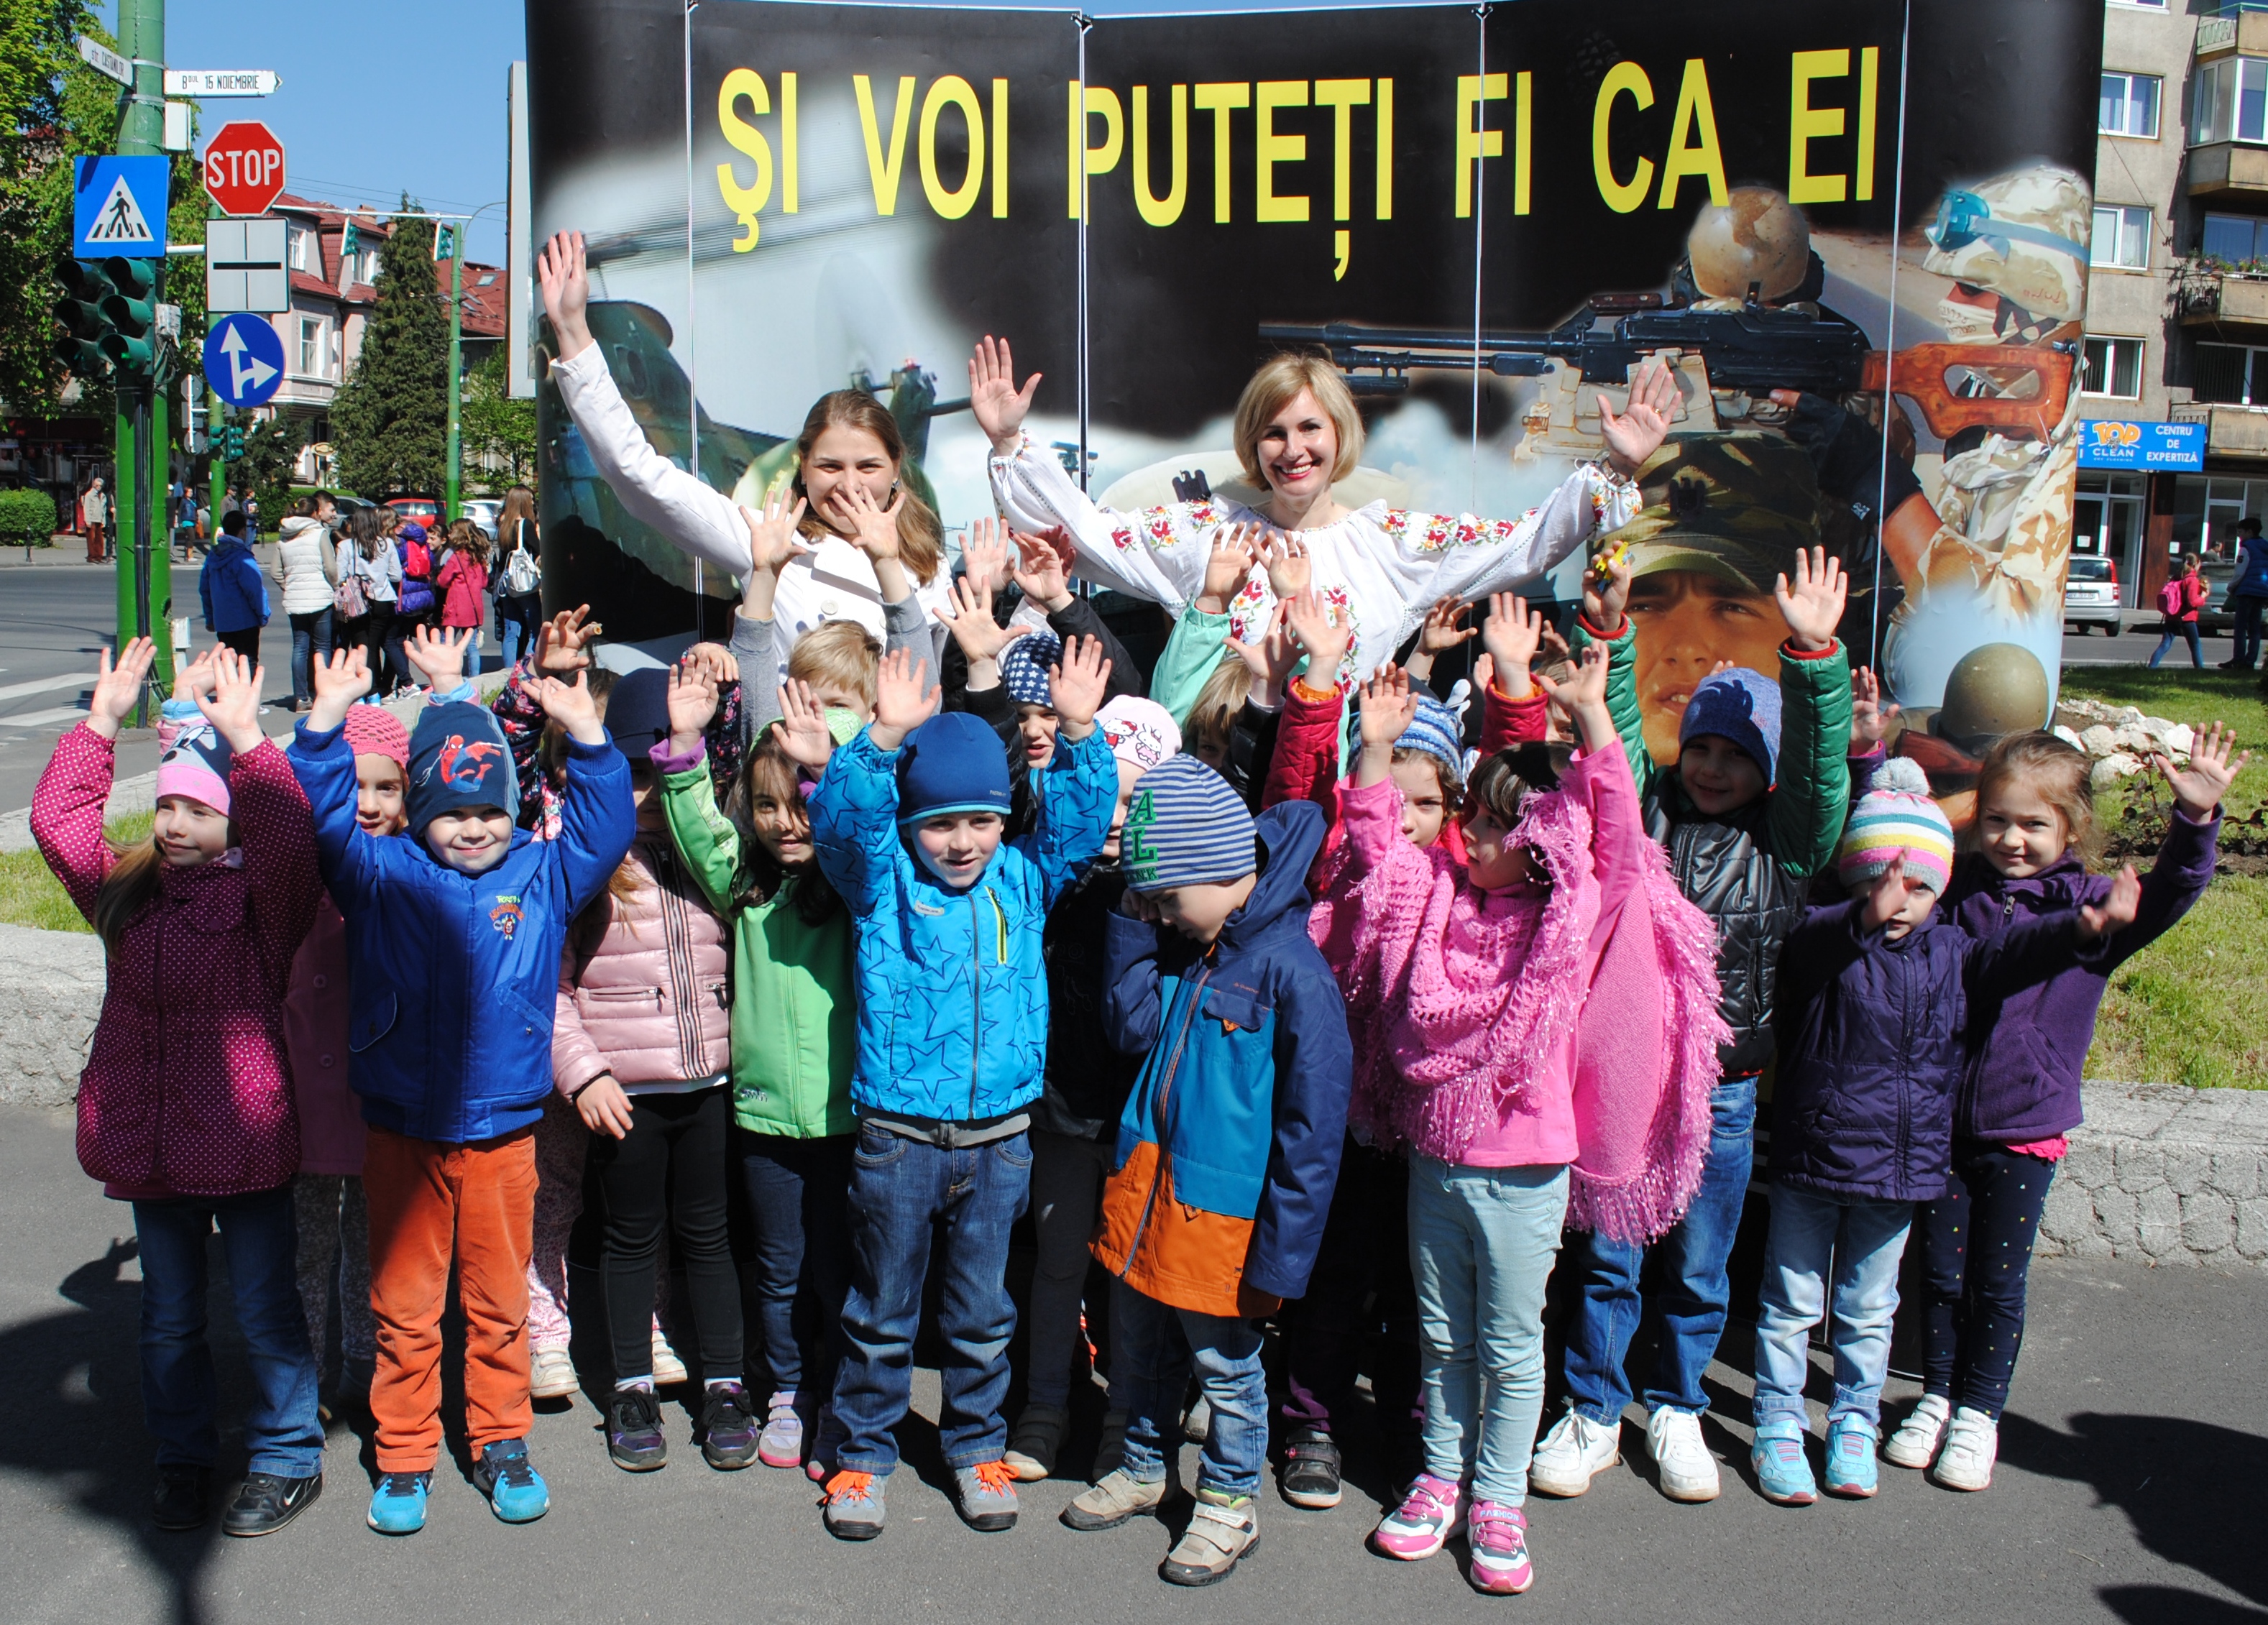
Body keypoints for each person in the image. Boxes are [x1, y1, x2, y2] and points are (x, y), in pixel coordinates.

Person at [1341, 654, 1720, 1594]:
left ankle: (1496, 1497)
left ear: (1544, 842)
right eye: (1469, 812)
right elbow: (1372, 850)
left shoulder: (1567, 923)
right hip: (1436, 1159)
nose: (1469, 829)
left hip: (1524, 1174)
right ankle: (1439, 1476)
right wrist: (1376, 745)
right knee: (1441, 1336)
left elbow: (1621, 847)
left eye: (1494, 821)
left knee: (1511, 1344)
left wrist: (1592, 716)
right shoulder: (1435, 895)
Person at [287, 634, 635, 1537]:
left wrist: (590, 735)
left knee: (496, 1301)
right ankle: (402, 1454)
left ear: (512, 812)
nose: (474, 826)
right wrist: (323, 727)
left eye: (490, 810)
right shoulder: (382, 873)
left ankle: (501, 1440)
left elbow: (604, 829)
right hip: (402, 1128)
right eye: (452, 811)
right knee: (404, 1306)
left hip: (502, 1134)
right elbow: (319, 819)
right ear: (418, 814)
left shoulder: (541, 871)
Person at [1533, 545, 1854, 1505]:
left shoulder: (1784, 845)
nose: (1712, 767)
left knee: (1702, 1260)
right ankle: (1591, 1408)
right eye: (1702, 748)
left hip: (1723, 1091)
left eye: (1734, 755)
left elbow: (1819, 771)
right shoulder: (1648, 820)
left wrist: (1811, 655)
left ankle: (1673, 1404)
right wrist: (1609, 630)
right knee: (1607, 1254)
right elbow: (1618, 739)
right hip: (1631, 1082)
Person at [1750, 760, 2139, 1506]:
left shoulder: (1953, 949)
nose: (1897, 900)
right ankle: (1774, 1420)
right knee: (1790, 1303)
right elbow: (1814, 946)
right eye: (1877, 883)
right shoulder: (1823, 938)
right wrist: (1862, 914)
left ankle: (1854, 1422)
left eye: (1919, 886)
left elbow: (2015, 952)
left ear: (1940, 889)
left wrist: (2076, 929)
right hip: (1811, 1159)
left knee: (1868, 1310)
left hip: (1895, 1173)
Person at [807, 640, 1117, 1540]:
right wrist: (879, 740)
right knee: (880, 1309)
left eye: (980, 819)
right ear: (912, 822)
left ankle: (974, 1441)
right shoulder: (881, 884)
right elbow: (840, 825)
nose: (962, 841)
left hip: (999, 1138)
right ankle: (861, 1453)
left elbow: (1077, 816)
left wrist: (1080, 729)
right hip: (898, 1135)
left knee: (983, 1312)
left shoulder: (1023, 877)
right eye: (942, 822)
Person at [1887, 727, 2241, 1490]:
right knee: (1940, 1274)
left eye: (2032, 823)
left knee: (1997, 1278)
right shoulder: (1956, 895)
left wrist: (2193, 824)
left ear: (2071, 827)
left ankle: (1979, 1412)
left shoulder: (2095, 905)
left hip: (2024, 1123)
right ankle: (1935, 1397)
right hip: (1941, 1121)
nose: (2010, 838)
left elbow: (2170, 895)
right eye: (1995, 820)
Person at [31, 642, 326, 1537]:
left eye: (198, 807)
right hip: (147, 1138)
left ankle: (286, 1454)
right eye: (164, 804)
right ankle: (184, 1454)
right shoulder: (130, 892)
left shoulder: (260, 903)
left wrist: (246, 740)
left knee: (265, 1306)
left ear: (230, 820)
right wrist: (101, 725)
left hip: (240, 1137)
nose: (173, 822)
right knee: (167, 1316)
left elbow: (289, 840)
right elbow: (58, 826)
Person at [1055, 752, 1349, 1586]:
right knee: (1138, 1353)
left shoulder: (1294, 973)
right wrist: (1133, 921)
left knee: (1226, 1372)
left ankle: (1227, 1502)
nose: (1164, 915)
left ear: (1222, 873)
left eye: (1167, 898)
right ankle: (1144, 1466)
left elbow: (1312, 1134)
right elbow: (1130, 1024)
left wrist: (1285, 1254)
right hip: (1147, 1201)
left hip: (1221, 1228)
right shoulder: (1190, 942)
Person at [972, 335, 1674, 683]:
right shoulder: (1206, 536)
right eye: (1273, 431)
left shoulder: (1393, 542)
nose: (1291, 448)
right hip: (1232, 803)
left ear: (1338, 436)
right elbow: (1085, 535)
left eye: (1309, 428)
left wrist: (1615, 468)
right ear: (1252, 443)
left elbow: (1526, 543)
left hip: (1353, 801)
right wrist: (1009, 441)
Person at [536, 230, 955, 645]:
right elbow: (639, 475)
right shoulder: (770, 544)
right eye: (830, 466)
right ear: (803, 468)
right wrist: (573, 330)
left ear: (897, 468)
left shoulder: (928, 566)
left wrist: (1009, 444)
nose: (850, 485)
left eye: (868, 466)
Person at [553, 664, 755, 1473]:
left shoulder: (710, 850)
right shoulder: (578, 862)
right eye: (628, 769)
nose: (642, 791)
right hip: (621, 1090)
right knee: (632, 1237)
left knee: (710, 1236)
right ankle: (631, 1386)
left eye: (657, 766)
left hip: (708, 1082)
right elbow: (548, 986)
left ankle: (726, 1385)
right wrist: (584, 1072)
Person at [658, 668, 860, 1475]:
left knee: (844, 1268)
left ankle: (843, 1390)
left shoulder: (857, 885)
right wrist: (681, 747)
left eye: (802, 802)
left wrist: (833, 763)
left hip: (853, 1115)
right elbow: (702, 829)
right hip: (766, 1117)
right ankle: (786, 1391)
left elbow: (867, 821)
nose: (785, 823)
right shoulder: (745, 887)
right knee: (778, 1268)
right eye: (768, 805)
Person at [1003, 691, 1181, 1483]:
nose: (1113, 813)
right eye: (1101, 788)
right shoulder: (1051, 877)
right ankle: (1044, 1403)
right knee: (1057, 1262)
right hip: (1061, 1107)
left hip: (1141, 1117)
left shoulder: (1173, 899)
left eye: (1133, 796)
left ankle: (1127, 1415)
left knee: (1134, 1273)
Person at [284, 704, 410, 1421]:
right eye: (351, 787)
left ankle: (363, 1371)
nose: (366, 803)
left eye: (385, 787)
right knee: (304, 1252)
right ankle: (303, 1375)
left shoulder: (412, 869)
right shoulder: (302, 878)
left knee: (373, 1247)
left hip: (379, 1103)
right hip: (304, 1095)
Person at [272, 497, 339, 712]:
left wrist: (289, 585)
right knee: (322, 646)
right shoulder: (319, 533)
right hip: (320, 598)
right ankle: (323, 693)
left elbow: (275, 571)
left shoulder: (283, 537)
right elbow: (330, 567)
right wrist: (333, 586)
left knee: (300, 647)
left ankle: (301, 698)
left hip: (295, 599)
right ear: (315, 513)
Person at [336, 507, 405, 697]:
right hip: (383, 599)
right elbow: (396, 574)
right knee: (377, 643)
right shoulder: (387, 544)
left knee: (363, 646)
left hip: (357, 602)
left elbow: (340, 576)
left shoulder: (346, 546)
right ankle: (378, 689)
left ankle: (369, 689)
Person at [201, 512, 270, 666]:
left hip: (222, 622)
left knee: (229, 664)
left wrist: (210, 617)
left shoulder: (212, 557)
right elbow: (255, 590)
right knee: (248, 661)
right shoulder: (242, 557)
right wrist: (263, 614)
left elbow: (205, 589)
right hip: (245, 621)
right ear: (242, 531)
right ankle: (247, 690)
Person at [494, 485, 544, 672]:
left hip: (507, 583)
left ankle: (507, 673)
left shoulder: (504, 524)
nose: (533, 502)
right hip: (524, 584)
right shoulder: (526, 525)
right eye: (530, 499)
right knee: (535, 630)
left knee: (511, 632)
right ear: (524, 502)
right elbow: (539, 550)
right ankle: (527, 669)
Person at [436, 518, 492, 673]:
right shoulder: (479, 557)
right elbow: (484, 583)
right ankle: (475, 679)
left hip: (455, 606)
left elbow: (442, 581)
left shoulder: (456, 557)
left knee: (446, 642)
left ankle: (446, 675)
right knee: (472, 646)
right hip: (473, 607)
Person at [2222, 517, 2268, 671]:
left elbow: (2240, 572)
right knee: (2255, 628)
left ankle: (2238, 659)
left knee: (2240, 627)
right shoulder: (2265, 547)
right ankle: (2250, 661)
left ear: (2249, 531)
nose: (2238, 535)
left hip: (2246, 591)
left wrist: (2231, 587)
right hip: (2262, 592)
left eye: (2240, 532)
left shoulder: (2246, 548)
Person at [2148, 555, 2208, 671]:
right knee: (2195, 645)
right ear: (2195, 564)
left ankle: (2151, 667)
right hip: (2187, 618)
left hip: (2172, 616)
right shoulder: (2192, 580)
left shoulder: (2176, 577)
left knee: (2165, 643)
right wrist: (2203, 597)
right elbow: (2192, 602)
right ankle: (2200, 669)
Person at [82, 475, 108, 563]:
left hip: (99, 519)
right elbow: (87, 508)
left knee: (99, 540)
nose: (99, 487)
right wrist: (87, 521)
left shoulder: (103, 496)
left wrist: (103, 521)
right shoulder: (89, 495)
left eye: (100, 486)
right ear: (93, 485)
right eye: (97, 485)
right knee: (91, 539)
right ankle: (92, 556)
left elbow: (103, 510)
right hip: (92, 519)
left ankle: (99, 556)